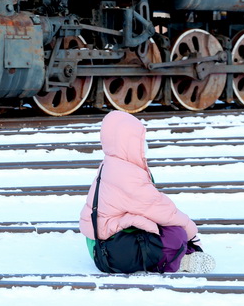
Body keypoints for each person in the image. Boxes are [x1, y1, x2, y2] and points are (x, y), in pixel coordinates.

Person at [80, 110, 215, 274]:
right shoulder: (126, 175)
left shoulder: (112, 165)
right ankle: (178, 261)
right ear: (126, 144)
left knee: (162, 228)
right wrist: (191, 233)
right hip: (109, 252)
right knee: (176, 234)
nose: (144, 145)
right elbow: (159, 208)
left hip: (101, 244)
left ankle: (180, 254)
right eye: (139, 140)